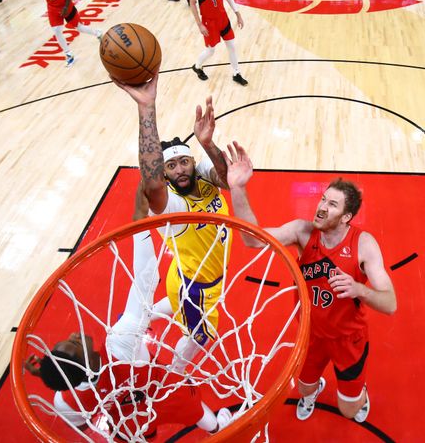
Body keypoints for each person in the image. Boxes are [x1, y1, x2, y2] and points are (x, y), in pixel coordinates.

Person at [23, 199, 233, 438]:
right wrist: (140, 221)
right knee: (196, 412)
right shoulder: (121, 343)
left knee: (142, 433)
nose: (74, 335)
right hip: (165, 393)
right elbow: (146, 277)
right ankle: (218, 429)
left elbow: (81, 421)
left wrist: (47, 374)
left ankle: (208, 428)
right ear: (86, 365)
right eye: (74, 345)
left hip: (130, 421)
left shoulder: (66, 399)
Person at [224, 144, 397, 423]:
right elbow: (252, 239)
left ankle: (358, 392)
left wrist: (359, 289)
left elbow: (390, 304)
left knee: (349, 410)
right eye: (322, 199)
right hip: (311, 334)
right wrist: (238, 188)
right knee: (303, 388)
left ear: (346, 217)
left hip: (348, 339)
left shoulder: (364, 245)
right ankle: (314, 390)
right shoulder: (302, 232)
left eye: (332, 204)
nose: (321, 207)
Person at [113, 72, 240, 374]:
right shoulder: (173, 206)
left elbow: (228, 179)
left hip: (186, 275)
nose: (180, 170)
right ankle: (176, 371)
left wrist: (207, 143)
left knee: (174, 302)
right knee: (200, 337)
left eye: (184, 162)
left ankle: (139, 319)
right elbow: (152, 184)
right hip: (195, 287)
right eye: (171, 166)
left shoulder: (202, 173)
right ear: (165, 173)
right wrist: (146, 109)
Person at [189, 0, 248, 86]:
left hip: (222, 18)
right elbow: (192, 3)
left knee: (232, 45)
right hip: (209, 22)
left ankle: (236, 73)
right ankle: (197, 66)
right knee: (211, 50)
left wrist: (237, 13)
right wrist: (199, 24)